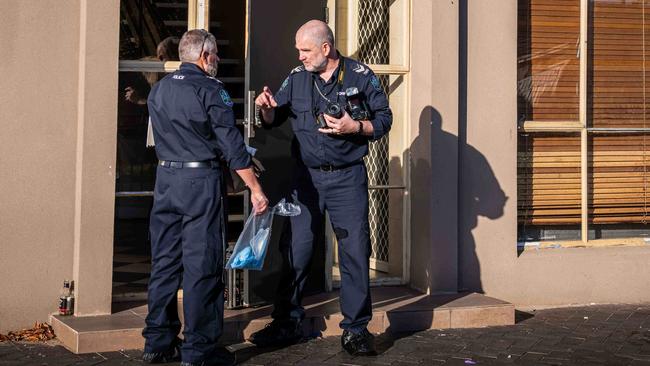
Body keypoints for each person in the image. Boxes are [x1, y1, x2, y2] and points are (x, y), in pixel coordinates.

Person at [249, 20, 392, 356]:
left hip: (346, 178)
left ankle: (356, 330)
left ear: (326, 49)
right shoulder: (297, 78)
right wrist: (266, 110)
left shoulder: (360, 75)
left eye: (305, 50)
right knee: (296, 250)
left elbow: (385, 119)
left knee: (355, 252)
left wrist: (354, 125)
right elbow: (274, 118)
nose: (299, 56)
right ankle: (287, 322)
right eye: (298, 50)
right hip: (306, 179)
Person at [141, 29, 269, 366]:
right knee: (203, 265)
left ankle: (157, 341)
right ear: (204, 56)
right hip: (200, 182)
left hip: (166, 179)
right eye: (215, 57)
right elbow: (233, 149)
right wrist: (255, 189)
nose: (217, 63)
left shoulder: (159, 90)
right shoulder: (212, 90)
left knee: (165, 262)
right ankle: (199, 350)